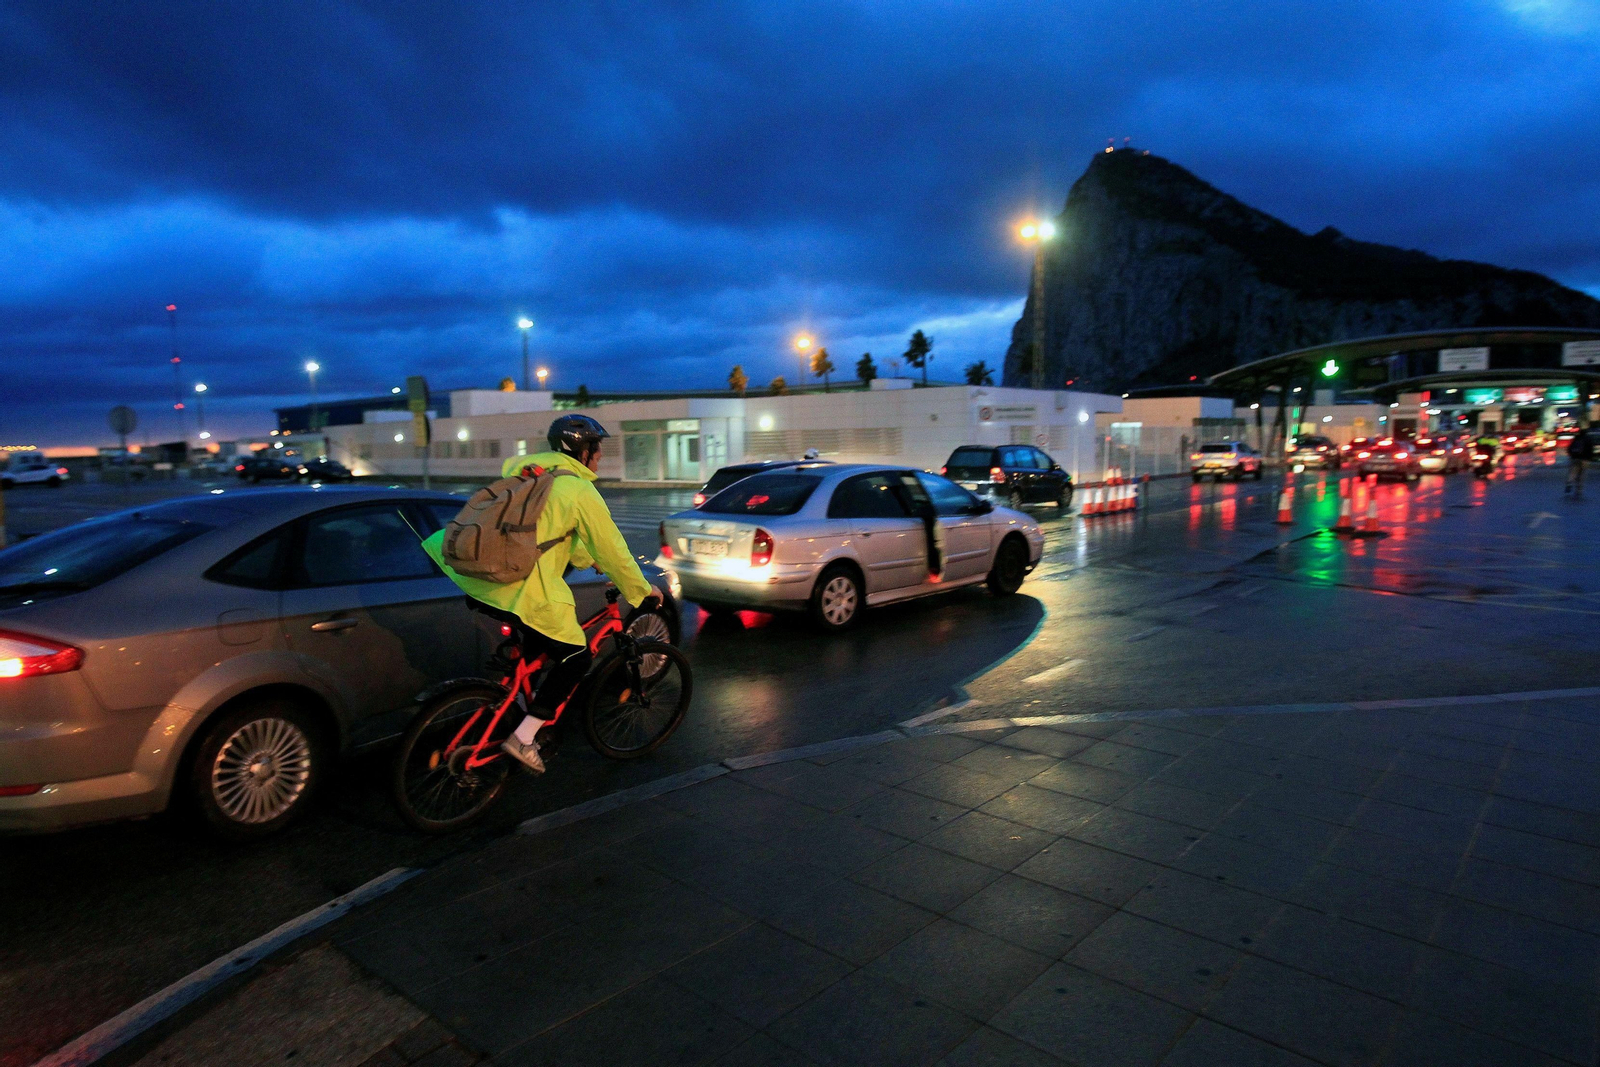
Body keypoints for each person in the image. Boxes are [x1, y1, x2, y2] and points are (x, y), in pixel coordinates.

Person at [422, 414, 661, 773]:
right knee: (576, 657)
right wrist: (641, 591)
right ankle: (524, 737)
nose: (599, 456)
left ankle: (519, 706)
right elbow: (614, 550)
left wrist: (590, 560)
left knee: (537, 649)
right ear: (582, 452)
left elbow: (553, 536)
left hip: (482, 580)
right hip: (522, 589)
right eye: (596, 448)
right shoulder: (578, 490)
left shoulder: (530, 476)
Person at [1566, 423, 1595, 494]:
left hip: (1575, 458)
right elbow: (1591, 450)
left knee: (1573, 471)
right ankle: (1579, 489)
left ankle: (1570, 482)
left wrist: (1571, 455)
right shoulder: (1588, 439)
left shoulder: (1576, 438)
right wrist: (1590, 458)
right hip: (1584, 459)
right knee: (1582, 474)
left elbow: (1570, 448)